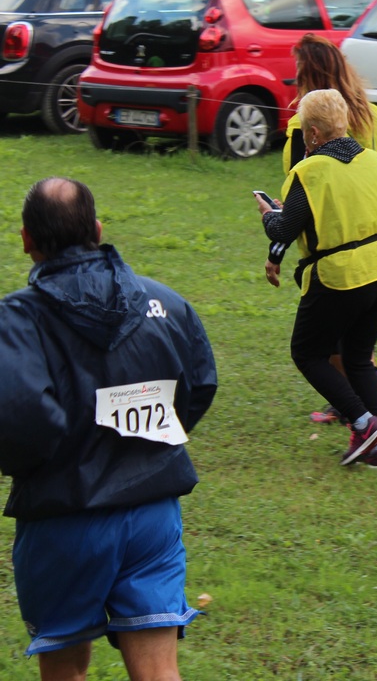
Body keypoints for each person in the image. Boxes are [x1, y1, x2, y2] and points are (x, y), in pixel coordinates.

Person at [0, 177, 218, 680]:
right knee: (159, 671)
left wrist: (47, 464)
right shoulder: (167, 303)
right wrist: (149, 447)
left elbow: (19, 417)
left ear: (27, 239)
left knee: (64, 668)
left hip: (63, 520)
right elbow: (200, 384)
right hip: (153, 518)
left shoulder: (18, 319)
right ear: (97, 230)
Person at [259, 89, 377, 466]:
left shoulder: (309, 171)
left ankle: (363, 423)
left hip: (340, 276)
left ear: (312, 133)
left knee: (308, 353)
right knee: (358, 358)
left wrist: (268, 215)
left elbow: (284, 229)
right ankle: (376, 450)